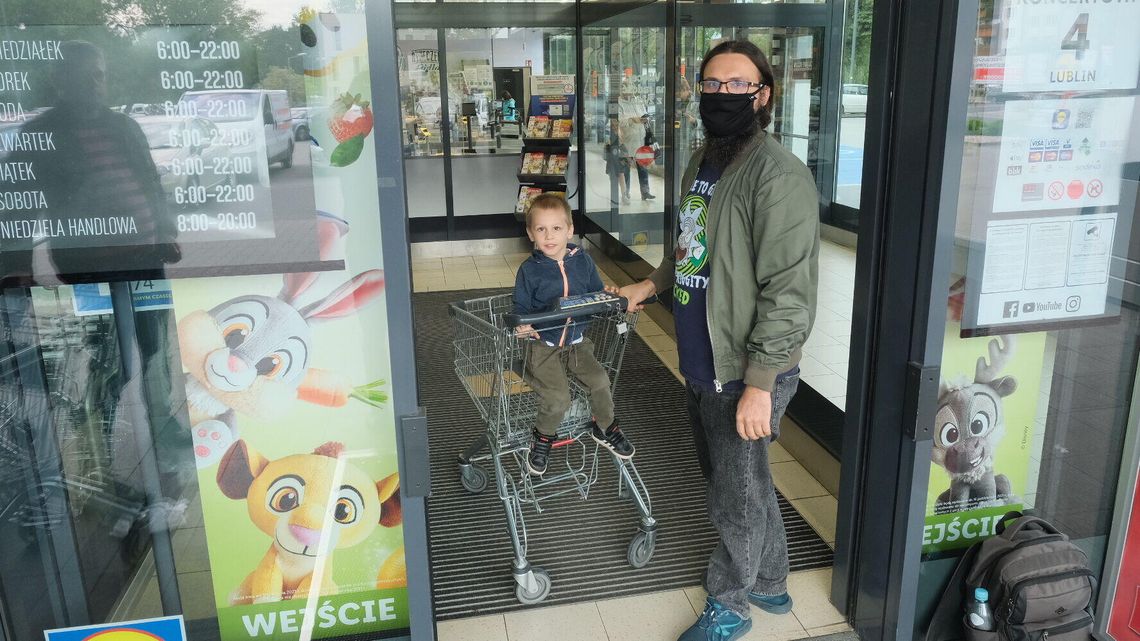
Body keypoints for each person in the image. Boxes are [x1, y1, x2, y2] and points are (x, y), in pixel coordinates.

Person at [619, 41, 820, 641]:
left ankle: (730, 605)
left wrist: (759, 386)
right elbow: (690, 248)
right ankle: (772, 580)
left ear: (764, 95)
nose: (722, 94)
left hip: (745, 368)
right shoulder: (705, 160)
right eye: (712, 83)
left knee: (732, 496)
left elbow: (790, 296)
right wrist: (650, 285)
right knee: (744, 478)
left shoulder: (779, 177)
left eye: (738, 84)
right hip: (703, 356)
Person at [513, 194, 635, 475]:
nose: (549, 236)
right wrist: (524, 323)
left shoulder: (583, 262)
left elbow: (595, 291)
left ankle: (605, 427)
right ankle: (542, 438)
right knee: (559, 398)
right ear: (531, 233)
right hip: (543, 345)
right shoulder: (529, 271)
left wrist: (608, 296)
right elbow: (520, 305)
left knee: (600, 381)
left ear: (569, 230)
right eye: (541, 229)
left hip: (578, 342)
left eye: (556, 228)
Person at [616, 86, 655, 204]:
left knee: (643, 167)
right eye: (627, 88)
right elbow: (619, 121)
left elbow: (645, 114)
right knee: (626, 168)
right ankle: (626, 193)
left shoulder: (638, 101)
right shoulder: (619, 104)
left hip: (640, 139)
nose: (630, 91)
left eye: (632, 88)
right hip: (627, 140)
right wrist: (632, 120)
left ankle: (645, 192)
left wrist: (645, 118)